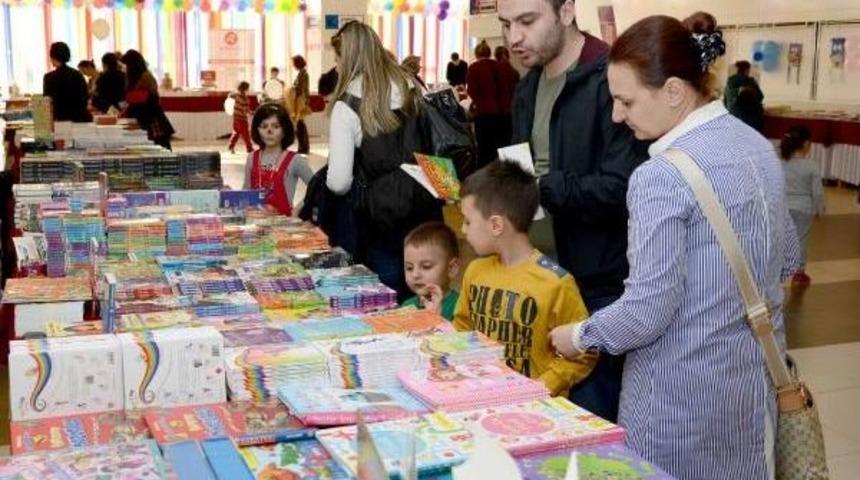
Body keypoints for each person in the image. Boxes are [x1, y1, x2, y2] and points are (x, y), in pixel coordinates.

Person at [548, 12, 800, 480]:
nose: (617, 115)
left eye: (626, 101)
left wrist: (579, 336)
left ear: (674, 92)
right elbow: (787, 258)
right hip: (750, 387)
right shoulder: (757, 147)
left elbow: (647, 311)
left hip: (676, 401)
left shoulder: (659, 177)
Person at [500, 0, 646, 422]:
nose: (514, 38)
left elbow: (624, 186)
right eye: (506, 24)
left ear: (566, 12)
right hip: (540, 278)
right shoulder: (527, 86)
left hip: (596, 287)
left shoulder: (608, 80)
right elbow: (522, 165)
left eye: (527, 21)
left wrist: (545, 187)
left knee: (589, 422)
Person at [453, 161, 597, 397]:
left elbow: (584, 351)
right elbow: (462, 330)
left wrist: (542, 386)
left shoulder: (556, 283)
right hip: (480, 397)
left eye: (468, 221)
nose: (463, 229)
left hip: (536, 409)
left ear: (496, 225)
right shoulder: (474, 272)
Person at [326, 21, 442, 301]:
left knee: (388, 298)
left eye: (338, 60)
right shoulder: (412, 87)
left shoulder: (347, 105)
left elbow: (339, 182)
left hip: (381, 218)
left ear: (349, 59)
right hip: (426, 205)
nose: (337, 68)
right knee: (429, 295)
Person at [244, 103, 314, 216]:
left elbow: (317, 188)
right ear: (257, 130)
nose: (269, 131)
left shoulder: (295, 160)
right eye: (264, 126)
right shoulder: (251, 158)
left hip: (284, 224)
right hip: (255, 223)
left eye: (276, 126)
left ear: (285, 130)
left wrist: (298, 210)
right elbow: (245, 191)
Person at [780, 125, 824, 286]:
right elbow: (817, 192)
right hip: (803, 208)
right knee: (801, 239)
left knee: (781, 237)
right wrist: (819, 208)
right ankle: (799, 273)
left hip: (782, 207)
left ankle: (777, 268)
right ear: (806, 144)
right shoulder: (811, 165)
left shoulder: (780, 163)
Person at [402, 222, 461, 321]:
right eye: (409, 268)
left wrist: (436, 318)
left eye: (426, 267)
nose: (415, 275)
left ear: (451, 268)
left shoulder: (460, 306)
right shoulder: (407, 307)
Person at [121, 50, 175, 149]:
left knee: (158, 145)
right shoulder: (134, 78)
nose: (126, 69)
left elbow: (153, 98)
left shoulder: (145, 77)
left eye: (127, 65)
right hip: (142, 117)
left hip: (151, 118)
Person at [467, 41, 502, 168]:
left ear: (476, 54)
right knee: (495, 143)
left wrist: (476, 101)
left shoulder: (473, 68)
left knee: (482, 144)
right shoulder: (497, 66)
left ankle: (483, 170)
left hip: (482, 111)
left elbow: (471, 90)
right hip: (498, 111)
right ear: (489, 53)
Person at [43, 42, 91, 122]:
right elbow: (85, 98)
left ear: (52, 57)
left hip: (59, 121)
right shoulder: (78, 75)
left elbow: (47, 104)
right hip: (79, 120)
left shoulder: (49, 78)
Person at [494, 46, 520, 148]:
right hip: (512, 109)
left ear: (496, 56)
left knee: (500, 141)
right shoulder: (514, 72)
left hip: (498, 110)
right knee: (511, 139)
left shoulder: (494, 71)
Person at [289, 56, 311, 154]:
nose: (293, 65)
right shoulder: (302, 73)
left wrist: (292, 89)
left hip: (300, 101)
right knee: (300, 125)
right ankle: (303, 147)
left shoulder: (303, 74)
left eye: (294, 63)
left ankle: (303, 148)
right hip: (300, 100)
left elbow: (302, 89)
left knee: (300, 125)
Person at [228, 81, 253, 154]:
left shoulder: (236, 95)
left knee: (236, 132)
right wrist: (251, 112)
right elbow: (245, 109)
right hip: (242, 118)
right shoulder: (244, 98)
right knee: (246, 134)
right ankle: (249, 148)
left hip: (235, 117)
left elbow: (229, 96)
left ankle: (231, 146)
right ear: (246, 89)